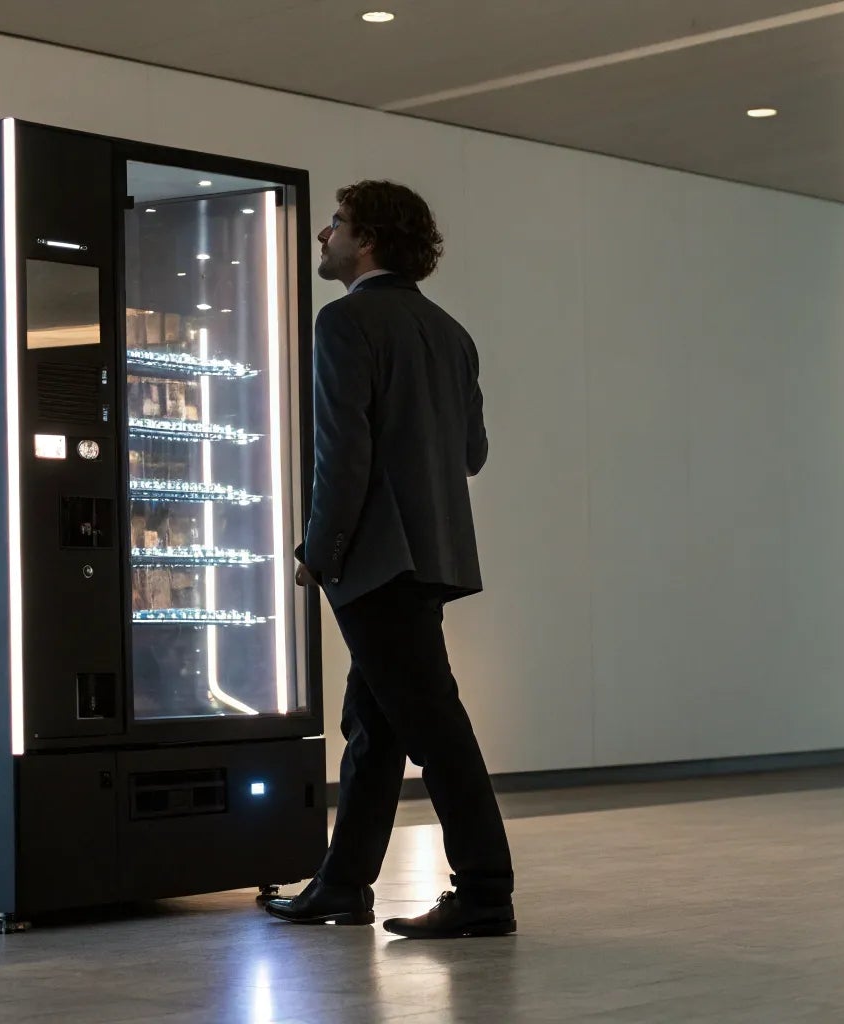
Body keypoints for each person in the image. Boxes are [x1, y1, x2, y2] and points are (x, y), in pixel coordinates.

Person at [262, 181, 516, 939]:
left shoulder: (344, 323)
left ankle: (485, 893)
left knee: (433, 726)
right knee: (374, 723)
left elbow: (342, 455)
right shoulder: (449, 330)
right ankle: (342, 885)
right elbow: (471, 453)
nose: (323, 237)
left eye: (334, 225)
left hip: (373, 559)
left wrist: (321, 548)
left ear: (365, 239)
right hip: (434, 553)